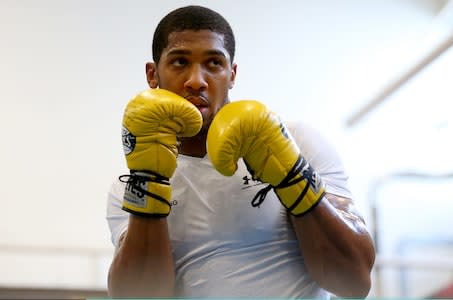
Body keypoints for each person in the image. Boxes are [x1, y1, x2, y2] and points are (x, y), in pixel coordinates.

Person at [106, 5, 376, 299]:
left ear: (232, 74)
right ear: (152, 74)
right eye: (180, 62)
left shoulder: (299, 141)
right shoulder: (127, 190)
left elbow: (354, 282)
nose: (196, 80)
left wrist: (293, 176)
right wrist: (148, 181)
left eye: (213, 63)